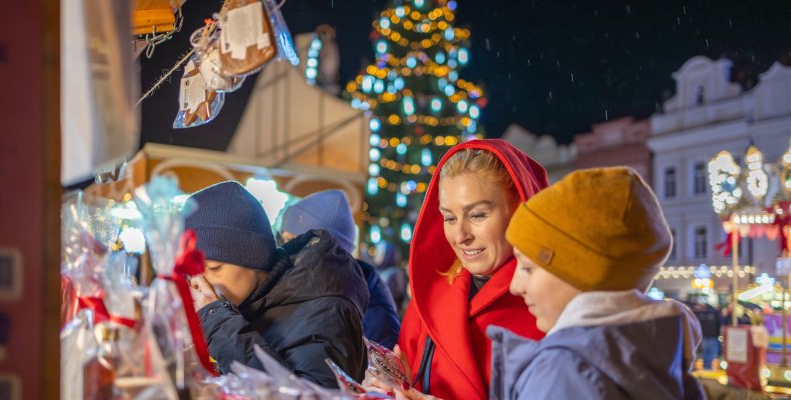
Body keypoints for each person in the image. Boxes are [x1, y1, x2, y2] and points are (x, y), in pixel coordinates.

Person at [490, 167, 705, 399]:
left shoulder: (565, 370)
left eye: (527, 268)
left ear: (579, 271)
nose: (515, 286)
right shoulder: (660, 357)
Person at [376, 139, 549, 400]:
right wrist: (390, 387)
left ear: (519, 211)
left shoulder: (550, 305)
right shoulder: (429, 298)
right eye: (449, 217)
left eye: (477, 215)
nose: (460, 236)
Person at [185, 181, 369, 388]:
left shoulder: (325, 311)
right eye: (190, 271)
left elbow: (310, 393)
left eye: (214, 267)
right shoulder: (246, 304)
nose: (199, 283)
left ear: (252, 259)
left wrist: (218, 325)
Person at [279, 189, 401, 349]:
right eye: (284, 240)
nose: (286, 250)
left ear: (328, 251)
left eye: (293, 241)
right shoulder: (311, 285)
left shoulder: (373, 317)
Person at [690, 299, 722, 370]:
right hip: (712, 336)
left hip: (705, 336)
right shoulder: (715, 313)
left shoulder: (700, 313)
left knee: (706, 354)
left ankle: (706, 367)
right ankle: (708, 367)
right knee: (711, 354)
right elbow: (720, 323)